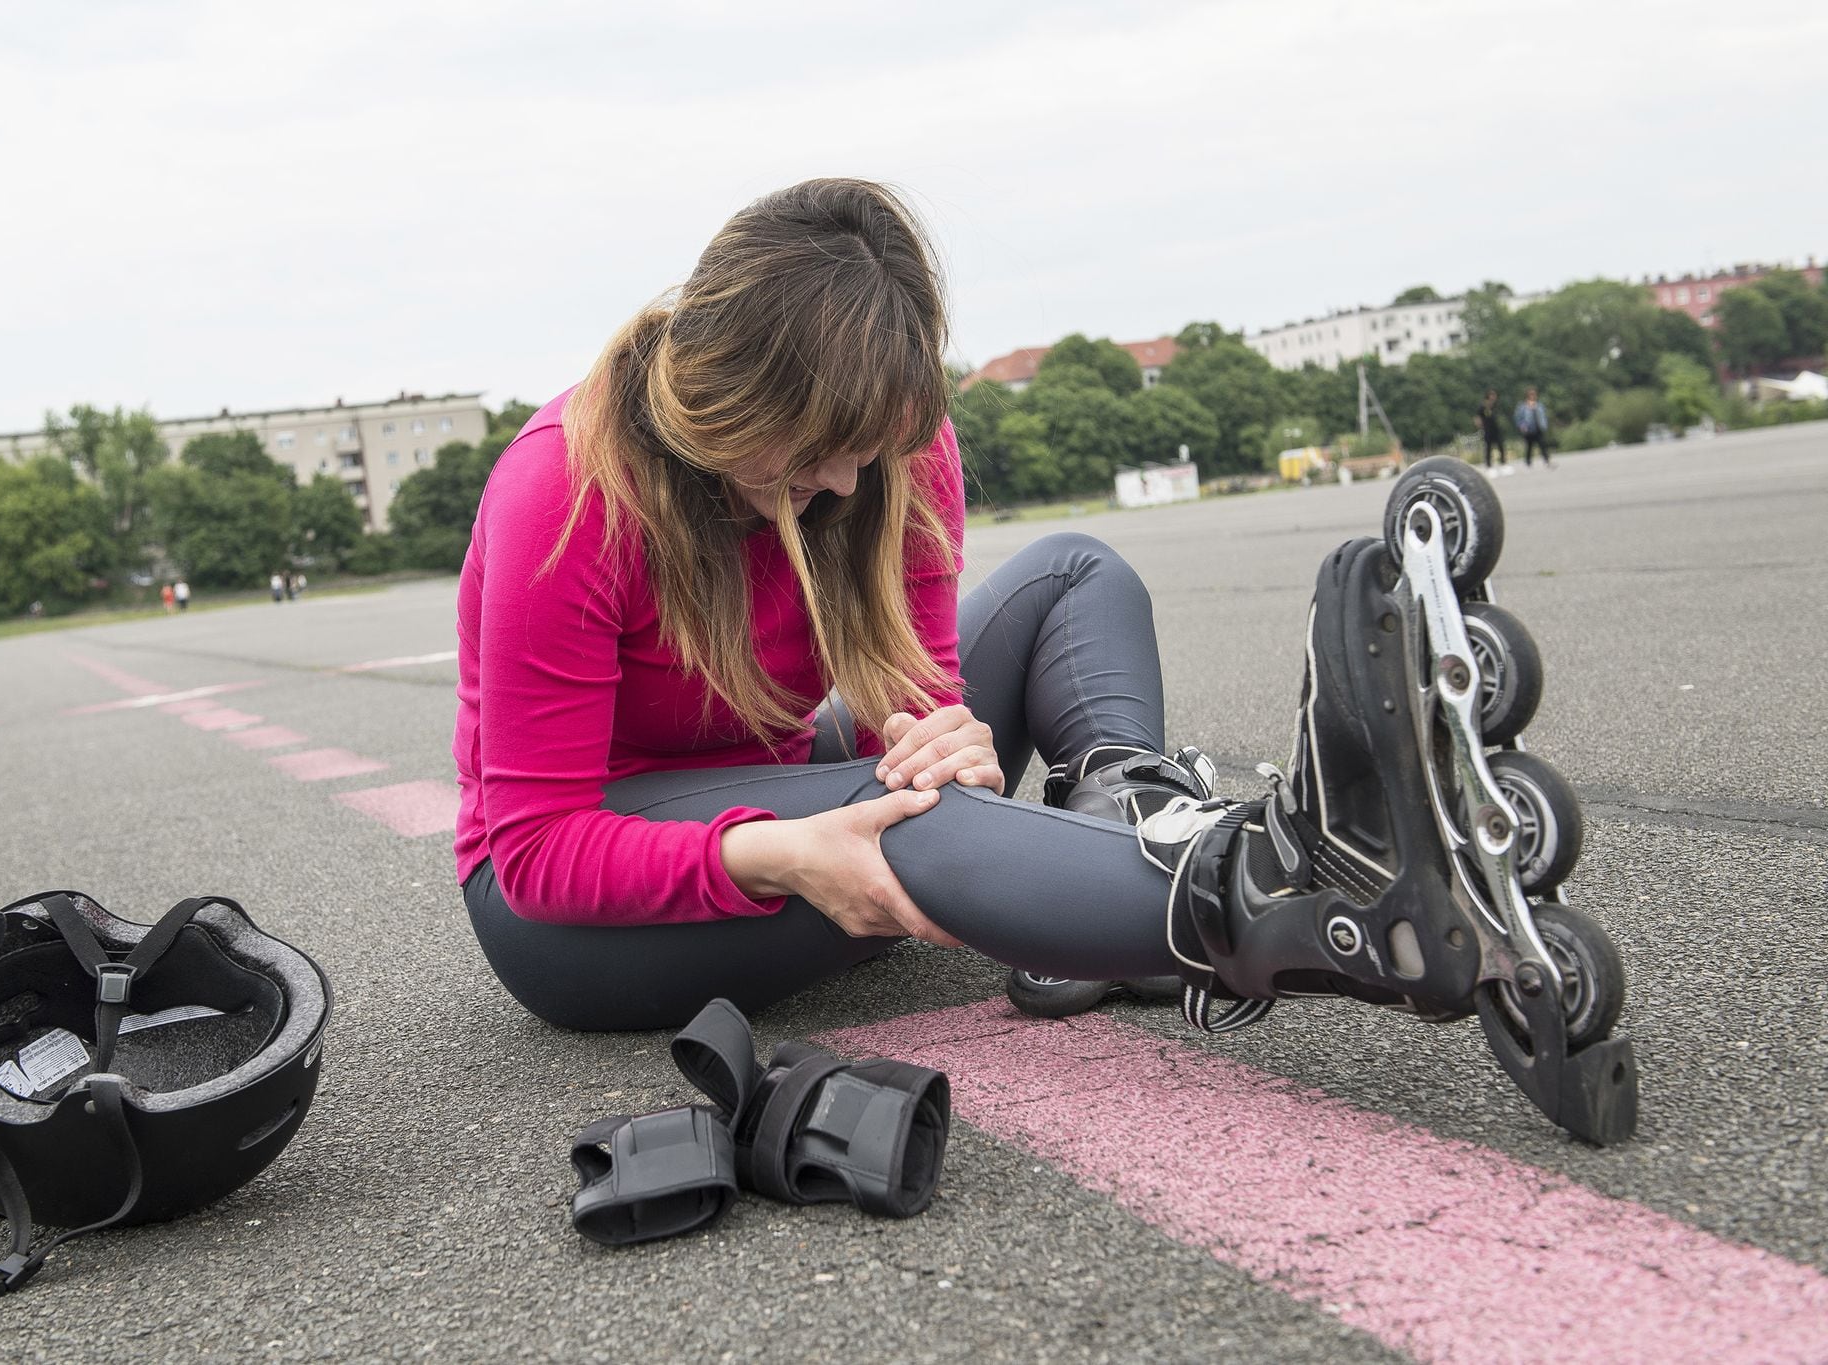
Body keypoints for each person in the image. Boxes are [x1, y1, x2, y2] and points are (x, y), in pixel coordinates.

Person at [449, 180, 1553, 1058]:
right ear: (726, 394)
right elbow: (538, 849)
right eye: (811, 448)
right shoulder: (566, 492)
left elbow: (919, 692)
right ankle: (1263, 893)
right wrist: (785, 853)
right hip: (575, 908)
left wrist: (943, 736)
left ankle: (1115, 850)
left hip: (777, 785)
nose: (843, 479)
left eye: (867, 447)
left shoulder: (889, 436)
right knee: (901, 819)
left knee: (1077, 576)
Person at [1515, 388, 1552, 467]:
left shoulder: (1539, 405)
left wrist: (1544, 425)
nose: (1533, 396)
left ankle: (1546, 460)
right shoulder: (1523, 407)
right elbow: (1518, 418)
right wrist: (1522, 426)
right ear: (1528, 396)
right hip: (1528, 429)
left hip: (1538, 428)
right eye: (1531, 395)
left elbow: (1543, 416)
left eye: (1534, 394)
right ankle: (1528, 461)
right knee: (1529, 446)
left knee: (1542, 444)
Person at [1475, 389, 1507, 475]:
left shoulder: (1495, 406)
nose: (1494, 397)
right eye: (1492, 396)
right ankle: (1489, 466)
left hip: (1496, 429)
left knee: (1501, 446)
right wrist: (1481, 427)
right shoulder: (1483, 406)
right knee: (1488, 448)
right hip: (1487, 430)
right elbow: (1477, 418)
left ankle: (1503, 463)